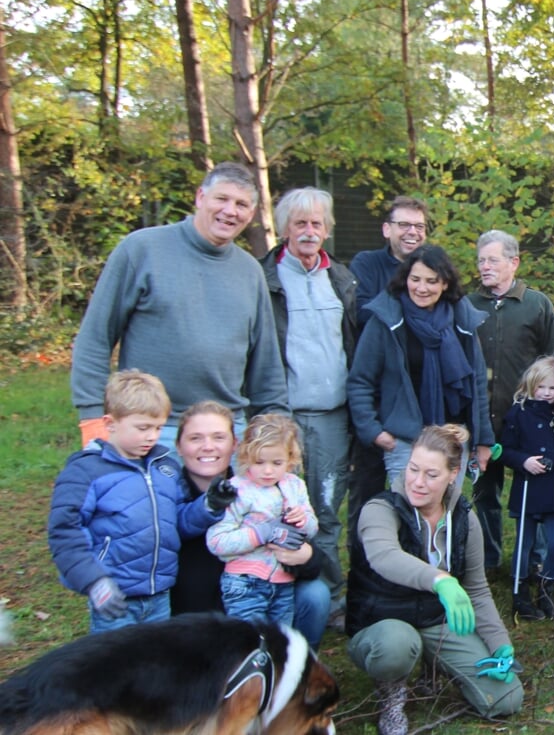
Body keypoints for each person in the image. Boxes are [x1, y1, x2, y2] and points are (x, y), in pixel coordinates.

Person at [70, 162, 287, 451]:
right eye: (221, 199)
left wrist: (275, 427)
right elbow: (96, 337)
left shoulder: (250, 271)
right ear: (200, 197)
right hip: (150, 429)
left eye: (242, 204)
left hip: (224, 432)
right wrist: (93, 417)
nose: (230, 211)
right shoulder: (142, 250)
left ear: (251, 214)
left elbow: (266, 363)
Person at [346, 424, 523, 733]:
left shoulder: (465, 519)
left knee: (505, 699)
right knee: (397, 645)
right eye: (413, 469)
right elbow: (384, 556)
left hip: (435, 621)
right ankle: (391, 698)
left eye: (431, 475)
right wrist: (440, 580)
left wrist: (499, 644)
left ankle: (434, 666)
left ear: (453, 474)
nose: (417, 482)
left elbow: (477, 589)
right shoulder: (379, 509)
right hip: (381, 622)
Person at [48, 371, 232, 633]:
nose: (152, 437)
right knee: (118, 669)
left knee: (155, 668)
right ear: (110, 423)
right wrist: (94, 581)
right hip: (115, 597)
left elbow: (176, 522)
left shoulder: (164, 468)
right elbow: (65, 531)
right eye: (143, 428)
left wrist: (208, 506)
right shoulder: (86, 472)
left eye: (158, 427)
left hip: (159, 596)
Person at [260, 186, 358, 619]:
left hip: (334, 414)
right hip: (284, 415)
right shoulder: (264, 278)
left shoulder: (341, 278)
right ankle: (273, 589)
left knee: (326, 507)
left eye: (317, 223)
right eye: (300, 223)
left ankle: (331, 596)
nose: (309, 231)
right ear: (284, 228)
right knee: (277, 505)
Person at [171, 401, 332, 648]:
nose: (208, 446)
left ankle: (298, 672)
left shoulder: (282, 486)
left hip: (275, 581)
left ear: (234, 445)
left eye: (218, 437)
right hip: (212, 600)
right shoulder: (170, 493)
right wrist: (260, 532)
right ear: (178, 445)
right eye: (195, 438)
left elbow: (305, 535)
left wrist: (306, 553)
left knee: (313, 597)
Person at [347, 244, 495, 507]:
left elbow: (477, 383)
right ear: (405, 280)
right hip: (405, 440)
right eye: (415, 279)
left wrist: (483, 440)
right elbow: (360, 381)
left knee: (447, 515)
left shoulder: (461, 320)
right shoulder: (386, 320)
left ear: (445, 283)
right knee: (409, 517)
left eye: (431, 281)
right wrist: (373, 431)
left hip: (453, 437)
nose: (422, 288)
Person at [467, 229, 554, 585]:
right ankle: (488, 560)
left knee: (532, 493)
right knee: (484, 494)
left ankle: (534, 563)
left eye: (492, 260)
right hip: (482, 422)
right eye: (481, 260)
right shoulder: (468, 305)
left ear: (514, 262)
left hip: (528, 423)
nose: (485, 266)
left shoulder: (535, 304)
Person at [206, 414, 319, 627]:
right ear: (246, 455)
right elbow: (216, 542)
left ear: (290, 459)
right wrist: (260, 533)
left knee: (280, 643)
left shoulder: (294, 485)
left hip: (283, 580)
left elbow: (312, 529)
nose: (268, 470)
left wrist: (303, 521)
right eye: (259, 462)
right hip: (244, 581)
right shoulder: (237, 489)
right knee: (250, 644)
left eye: (277, 463)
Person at [497, 356, 554, 622]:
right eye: (541, 387)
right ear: (531, 385)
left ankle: (546, 590)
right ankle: (520, 595)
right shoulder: (518, 413)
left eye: (552, 388)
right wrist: (524, 461)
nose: (546, 393)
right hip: (528, 489)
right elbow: (505, 450)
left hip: (553, 491)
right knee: (524, 543)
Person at [351, 195, 429, 328]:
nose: (413, 232)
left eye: (419, 226)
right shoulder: (367, 263)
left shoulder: (433, 268)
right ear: (387, 230)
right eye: (404, 225)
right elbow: (360, 312)